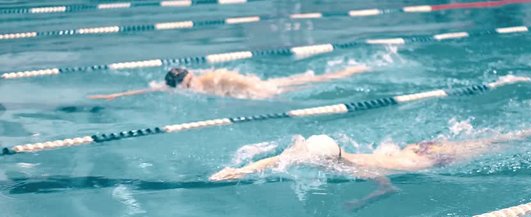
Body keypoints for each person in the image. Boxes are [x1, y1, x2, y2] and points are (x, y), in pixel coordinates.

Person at [209, 119, 531, 209]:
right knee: (485, 138)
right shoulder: (325, 154)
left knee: (495, 142)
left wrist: (360, 201)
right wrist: (238, 171)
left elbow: (388, 186)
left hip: (430, 160)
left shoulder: (353, 169)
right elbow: (280, 157)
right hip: (415, 150)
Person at [88, 65, 369, 100]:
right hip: (257, 85)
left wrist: (268, 95)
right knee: (305, 80)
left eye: (188, 83)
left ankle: (351, 72)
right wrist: (115, 95)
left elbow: (234, 83)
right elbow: (154, 88)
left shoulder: (209, 79)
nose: (190, 87)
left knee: (307, 84)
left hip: (259, 89)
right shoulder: (188, 83)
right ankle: (348, 71)